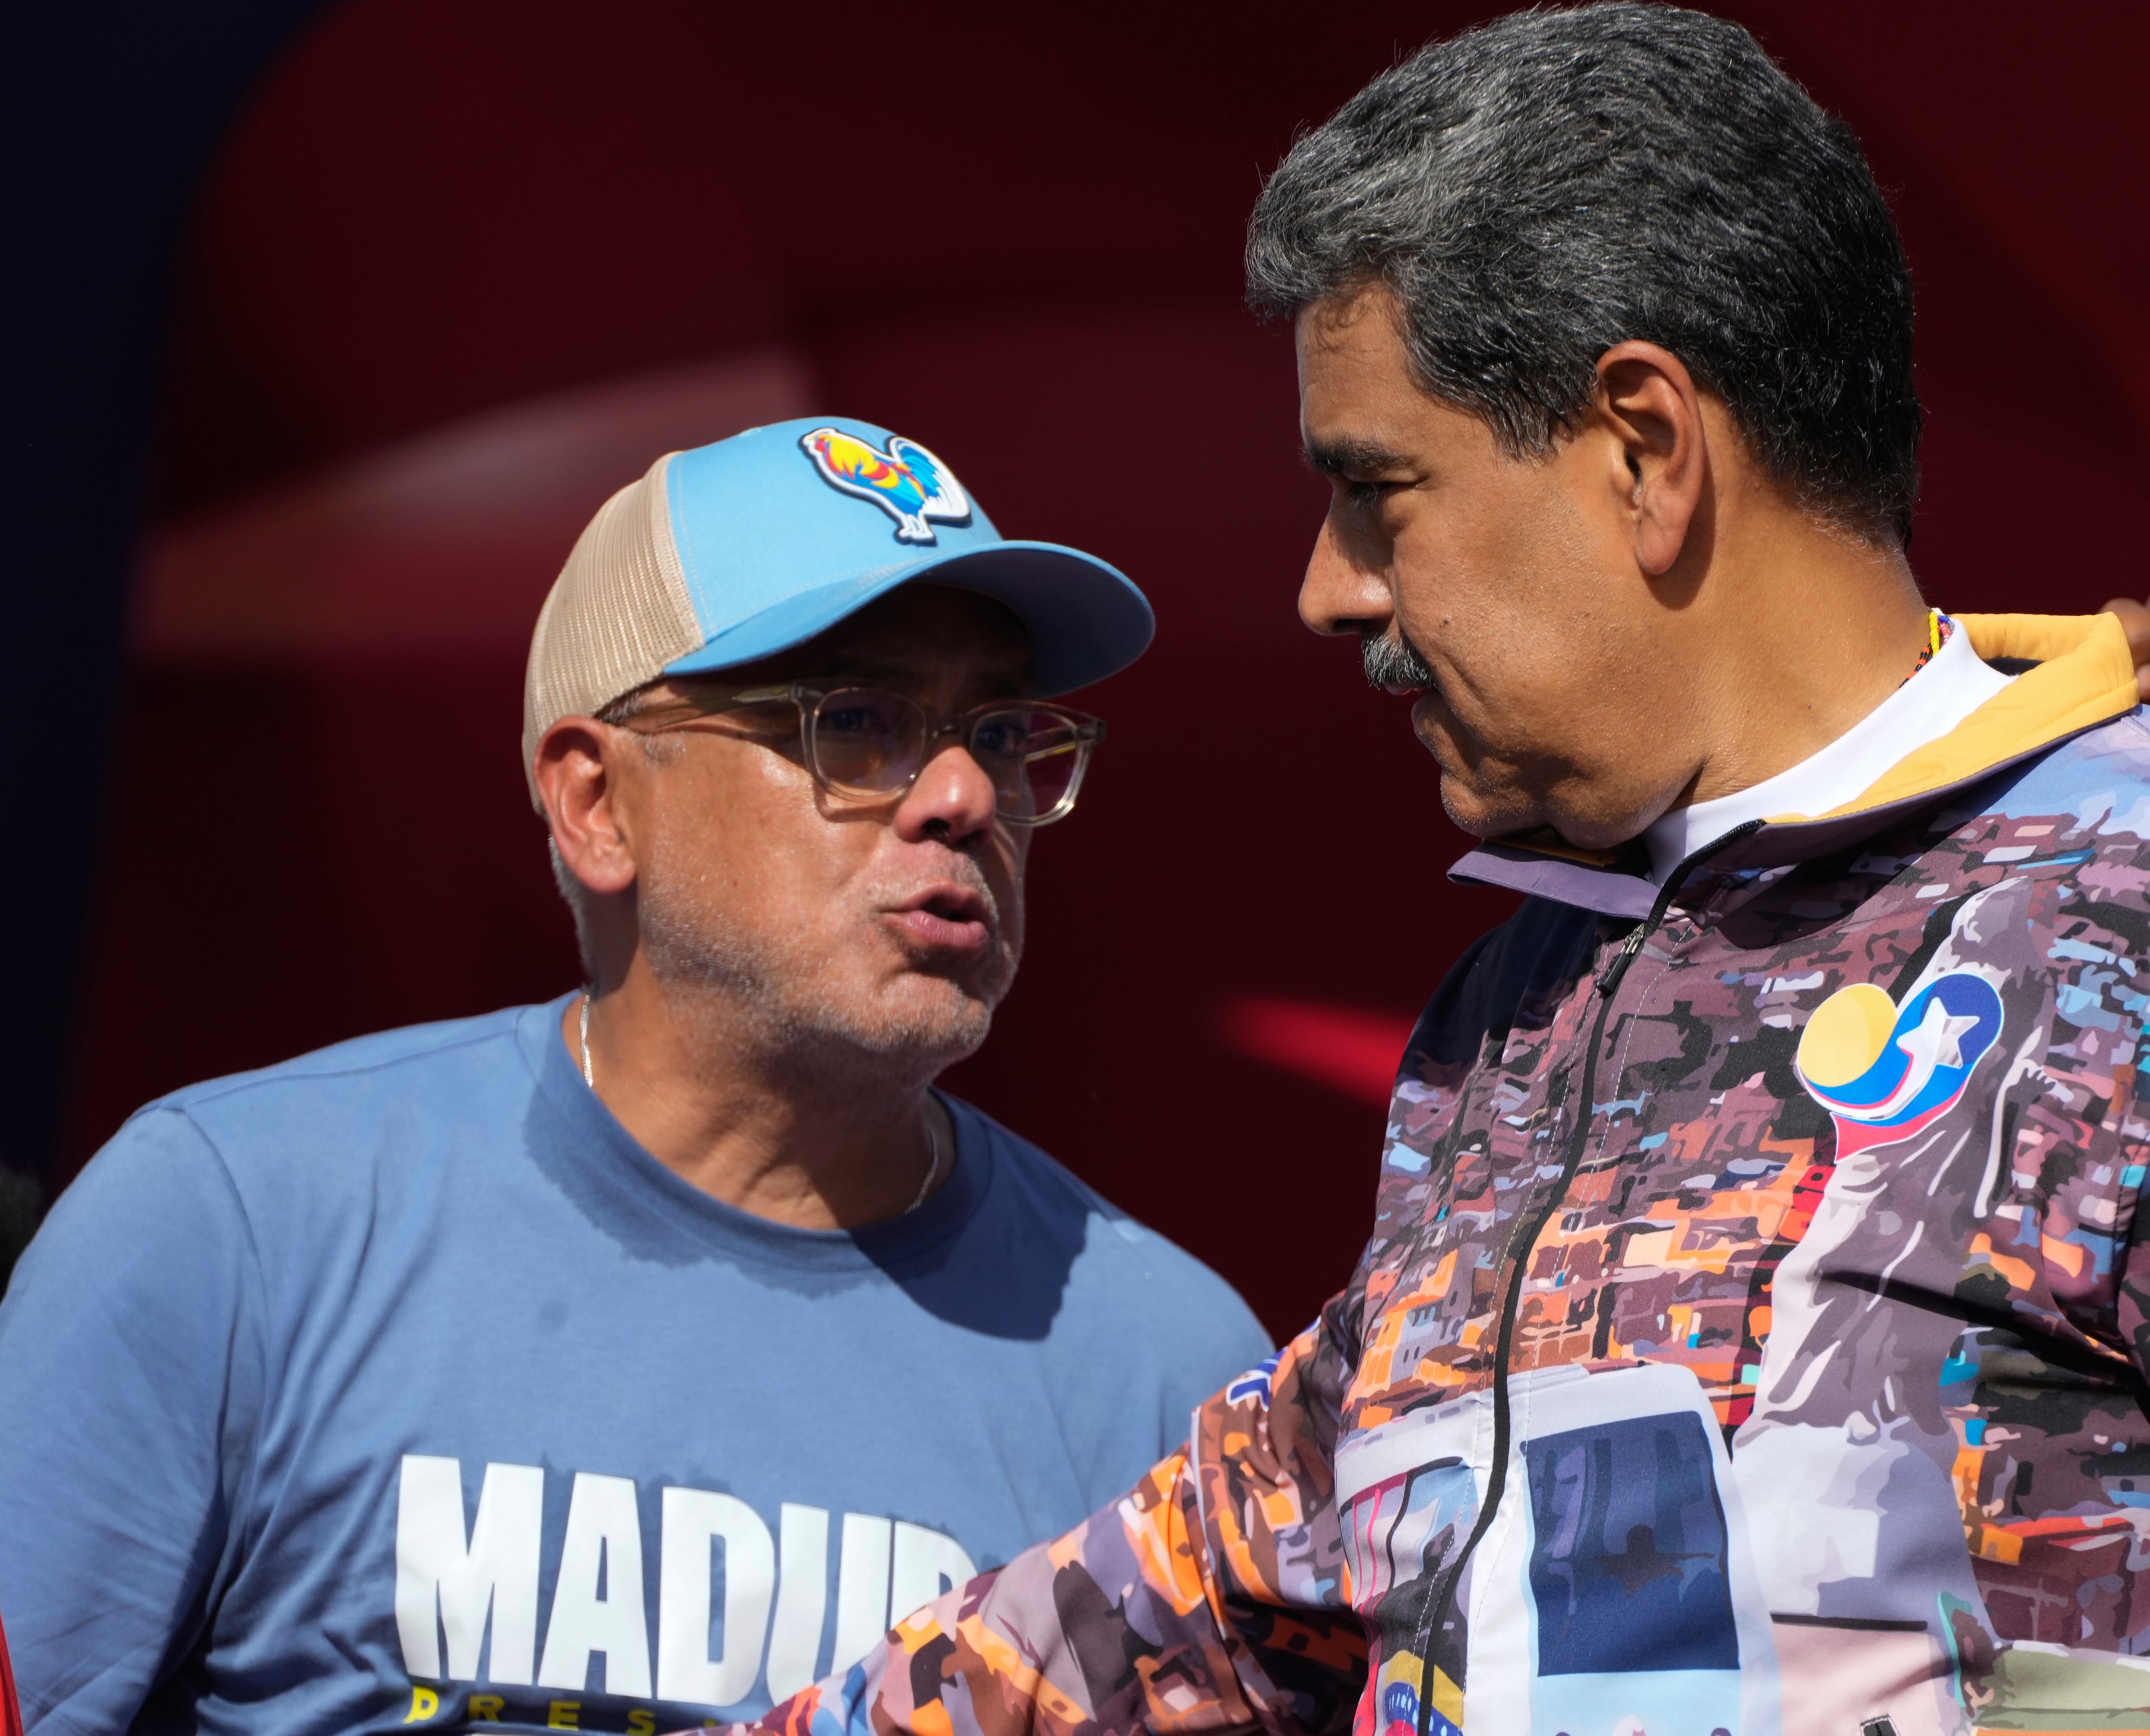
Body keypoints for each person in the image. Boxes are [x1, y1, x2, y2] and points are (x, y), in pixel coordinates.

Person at [744, 11, 2150, 1736]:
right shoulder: (1533, 1001)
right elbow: (1230, 1566)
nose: (1328, 586)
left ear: (1645, 450)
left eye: (1378, 489)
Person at [0, 418, 1271, 1734]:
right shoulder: (236, 1230)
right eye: (855, 719)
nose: (960, 791)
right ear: (596, 803)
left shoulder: (1169, 1377)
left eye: (1002, 733)